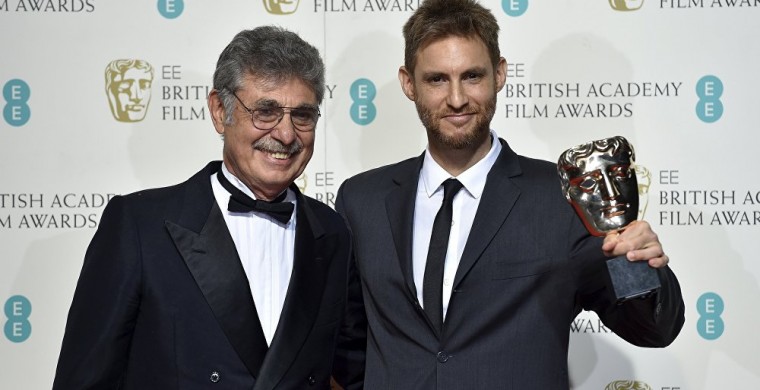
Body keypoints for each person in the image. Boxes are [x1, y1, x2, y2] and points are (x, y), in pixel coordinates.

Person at [335, 0, 685, 388]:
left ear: (499, 74)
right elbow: (346, 345)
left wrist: (634, 263)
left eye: (472, 76)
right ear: (408, 82)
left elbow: (654, 330)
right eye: (436, 79)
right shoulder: (362, 200)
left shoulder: (564, 196)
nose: (456, 99)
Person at [54, 26, 363, 389]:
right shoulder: (139, 226)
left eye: (303, 115)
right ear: (220, 111)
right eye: (265, 111)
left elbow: (356, 372)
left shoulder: (333, 232)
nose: (285, 134)